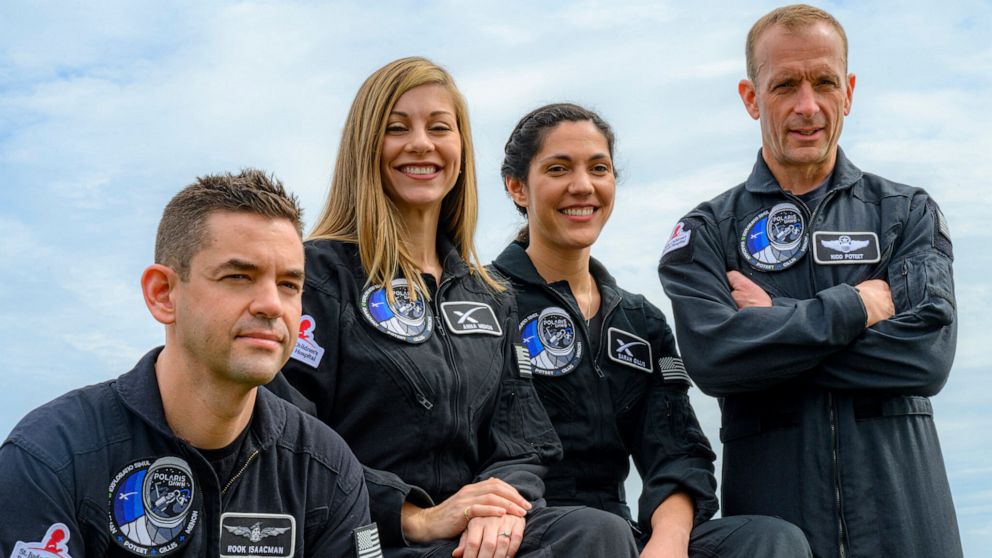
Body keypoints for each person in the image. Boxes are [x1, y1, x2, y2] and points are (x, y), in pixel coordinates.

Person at [265, 57, 638, 558]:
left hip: (469, 540)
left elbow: (522, 444)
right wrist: (413, 515)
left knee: (597, 532)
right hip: (366, 537)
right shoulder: (315, 275)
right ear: (364, 146)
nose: (422, 143)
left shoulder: (490, 296)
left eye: (439, 127)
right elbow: (286, 432)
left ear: (460, 150)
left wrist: (498, 508)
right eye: (398, 128)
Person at [658, 5, 961, 558]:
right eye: (785, 85)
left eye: (824, 82)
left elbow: (927, 357)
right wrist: (854, 307)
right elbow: (714, 358)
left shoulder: (906, 213)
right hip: (777, 533)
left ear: (848, 92)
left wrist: (774, 321)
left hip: (908, 526)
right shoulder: (707, 232)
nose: (807, 106)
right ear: (751, 98)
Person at [493, 102, 812, 558]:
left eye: (598, 168)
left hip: (620, 534)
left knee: (770, 539)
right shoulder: (483, 302)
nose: (582, 185)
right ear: (517, 187)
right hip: (521, 532)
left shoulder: (640, 320)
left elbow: (676, 453)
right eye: (558, 169)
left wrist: (668, 541)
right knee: (598, 532)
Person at [0, 170, 375, 557]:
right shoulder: (49, 457)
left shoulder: (327, 469)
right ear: (163, 294)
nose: (272, 305)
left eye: (289, 285)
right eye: (238, 276)